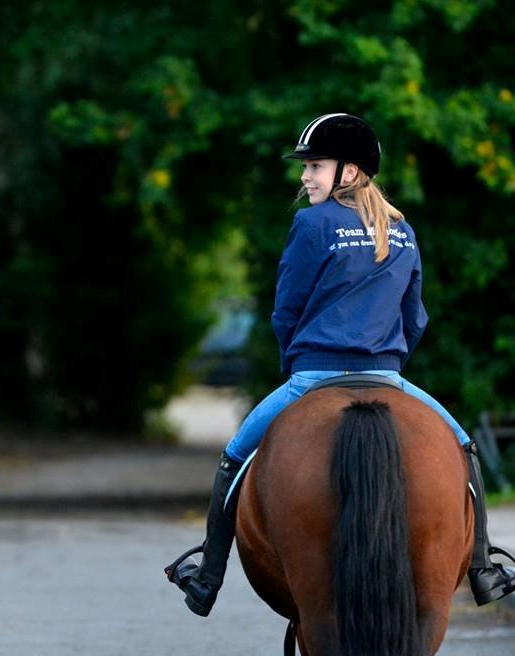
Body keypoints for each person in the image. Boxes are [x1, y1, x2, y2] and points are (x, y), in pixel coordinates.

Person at [166, 113, 515, 616]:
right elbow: (414, 318)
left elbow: (286, 308)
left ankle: (207, 574)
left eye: (315, 166)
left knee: (235, 455)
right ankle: (483, 567)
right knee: (464, 450)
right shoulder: (402, 230)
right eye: (305, 167)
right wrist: (387, 362)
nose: (304, 176)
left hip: (314, 374)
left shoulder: (310, 224)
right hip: (388, 376)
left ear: (349, 172)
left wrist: (298, 364)